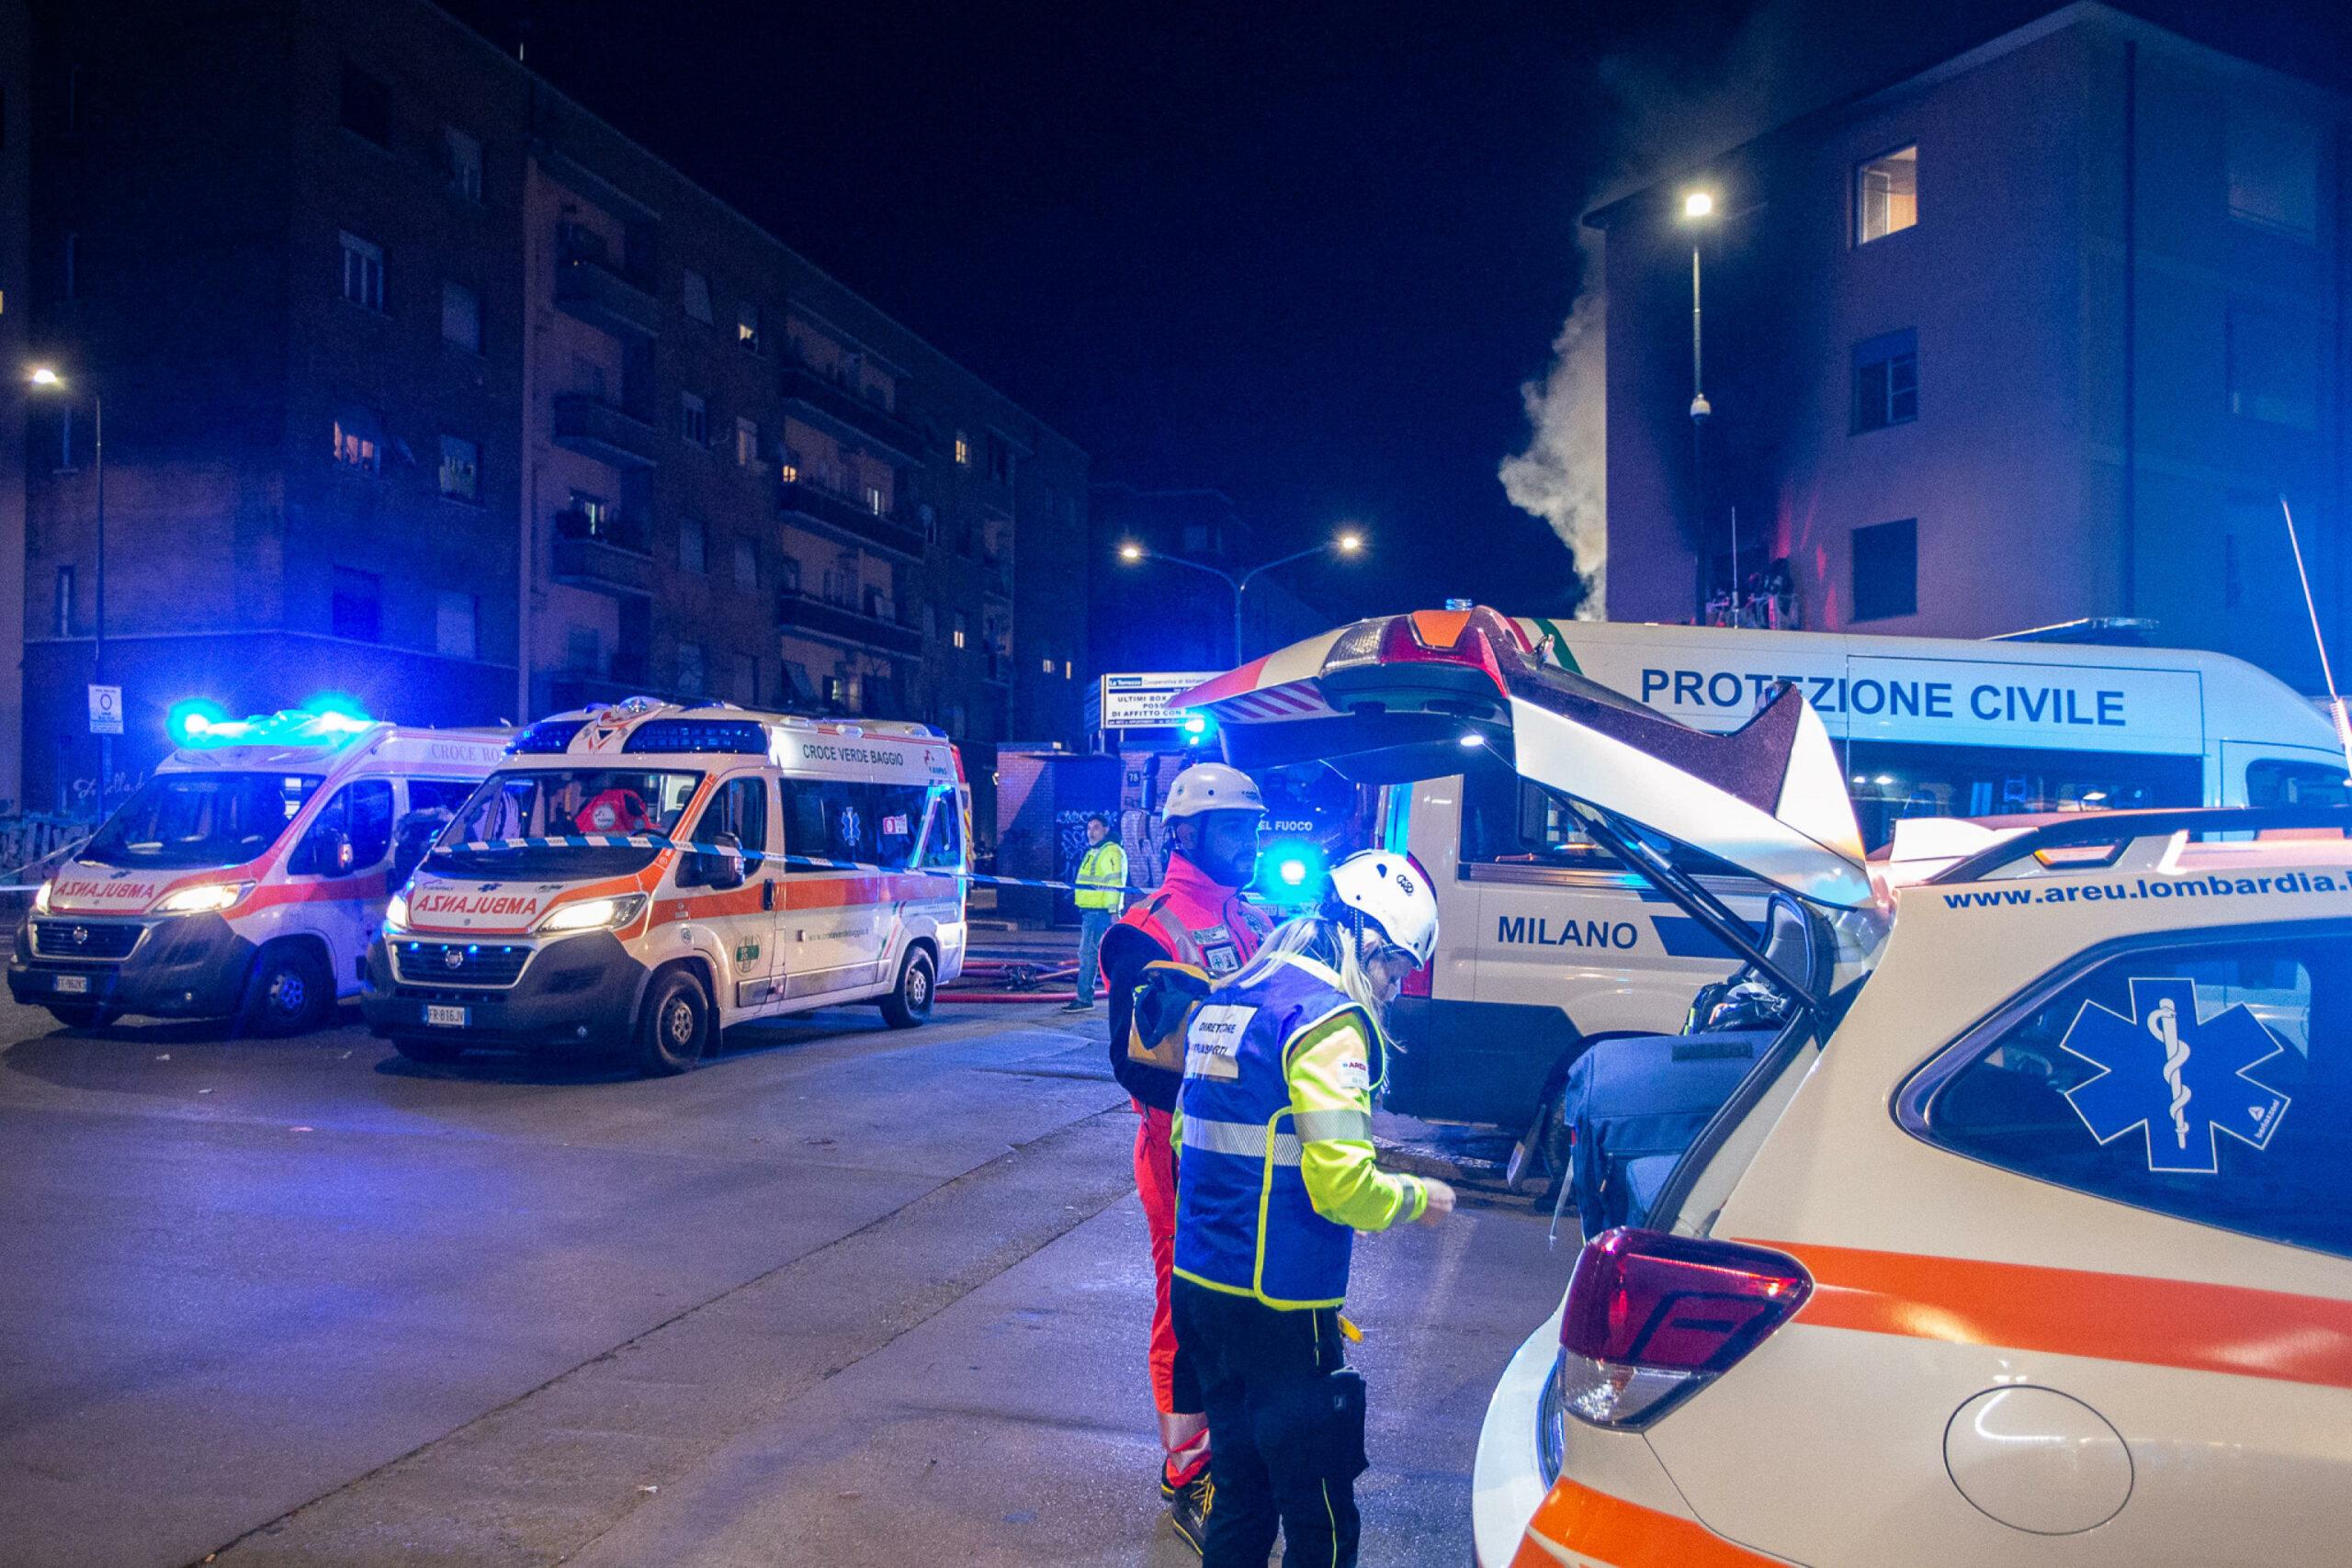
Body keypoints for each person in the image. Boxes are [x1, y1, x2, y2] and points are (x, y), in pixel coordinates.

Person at [1170, 850, 1456, 1568]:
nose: (1391, 988)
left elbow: (1184, 1137)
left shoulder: (1228, 996)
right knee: (1321, 1512)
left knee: (1241, 1495)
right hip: (1282, 1304)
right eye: (1393, 965)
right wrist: (1418, 1198)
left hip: (1200, 1290)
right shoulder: (1327, 1022)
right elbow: (1341, 1185)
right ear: (1361, 933)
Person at [1099, 761, 1272, 1551]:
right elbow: (1132, 1064)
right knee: (1188, 1308)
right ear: (1187, 833)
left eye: (1254, 827)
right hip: (1180, 1159)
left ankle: (1235, 1448)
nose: (1250, 841)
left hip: (1251, 1158)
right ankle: (1187, 1467)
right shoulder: (1145, 930)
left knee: (1248, 1304)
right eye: (1235, 827)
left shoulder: (1257, 919)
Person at [1063, 814, 1128, 1012]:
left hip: (1099, 912)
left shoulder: (1110, 851)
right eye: (1089, 828)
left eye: (1096, 827)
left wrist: (1113, 911)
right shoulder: (1097, 851)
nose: (1091, 832)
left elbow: (1115, 884)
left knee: (1088, 954)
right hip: (1093, 912)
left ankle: (1084, 999)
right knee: (1107, 954)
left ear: (1106, 830)